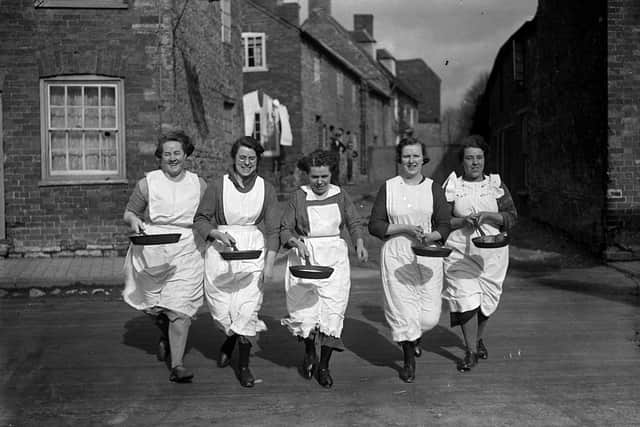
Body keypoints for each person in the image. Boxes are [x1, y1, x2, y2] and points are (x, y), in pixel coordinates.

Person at [193, 136, 279, 388]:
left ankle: (243, 367)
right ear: (234, 158)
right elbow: (200, 219)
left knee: (247, 310)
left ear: (258, 161)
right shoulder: (218, 186)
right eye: (242, 157)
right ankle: (229, 339)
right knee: (223, 311)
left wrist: (270, 263)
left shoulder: (267, 188)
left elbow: (274, 230)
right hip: (220, 253)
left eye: (252, 158)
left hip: (253, 252)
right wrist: (215, 233)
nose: (247, 163)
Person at [122, 129, 206, 383]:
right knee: (152, 305)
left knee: (180, 309)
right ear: (160, 157)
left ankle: (177, 365)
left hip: (187, 248)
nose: (172, 158)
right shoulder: (148, 183)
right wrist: (135, 222)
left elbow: (208, 215)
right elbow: (129, 213)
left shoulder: (198, 184)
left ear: (186, 155)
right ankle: (165, 333)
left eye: (177, 153)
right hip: (153, 247)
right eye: (167, 154)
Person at [280, 150, 368, 389]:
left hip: (334, 258)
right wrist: (295, 242)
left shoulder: (340, 195)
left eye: (325, 177)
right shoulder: (299, 196)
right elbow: (285, 228)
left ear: (331, 175)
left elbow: (354, 222)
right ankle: (310, 350)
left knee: (332, 311)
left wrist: (359, 242)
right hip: (304, 255)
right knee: (305, 311)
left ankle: (324, 365)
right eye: (315, 176)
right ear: (307, 175)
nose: (319, 182)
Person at [368, 137, 451, 383]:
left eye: (416, 156)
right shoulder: (390, 187)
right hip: (397, 253)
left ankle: (415, 336)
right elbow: (375, 224)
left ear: (423, 159)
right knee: (403, 309)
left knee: (429, 316)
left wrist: (431, 235)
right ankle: (408, 361)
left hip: (428, 254)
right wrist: (403, 228)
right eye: (406, 156)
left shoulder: (433, 188)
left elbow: (444, 224)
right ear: (400, 159)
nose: (411, 161)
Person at [442, 134, 517, 372]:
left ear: (485, 160)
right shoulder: (453, 185)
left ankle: (478, 338)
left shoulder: (495, 185)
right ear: (462, 161)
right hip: (459, 252)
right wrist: (462, 221)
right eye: (469, 158)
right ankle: (470, 351)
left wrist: (490, 216)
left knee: (486, 301)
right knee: (465, 299)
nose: (475, 163)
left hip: (493, 254)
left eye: (479, 158)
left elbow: (512, 217)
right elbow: (442, 220)